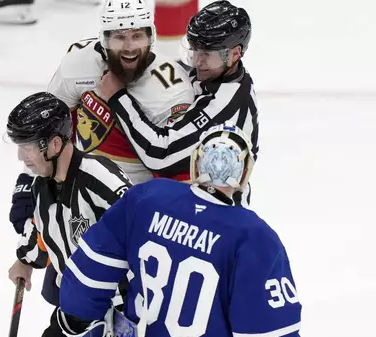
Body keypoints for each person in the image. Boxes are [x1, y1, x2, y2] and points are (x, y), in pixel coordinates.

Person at [57, 122, 358, 337]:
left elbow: (86, 275)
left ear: (196, 162)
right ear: (245, 172)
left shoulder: (148, 198)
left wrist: (85, 326)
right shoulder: (254, 237)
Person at [8, 0, 195, 268]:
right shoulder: (77, 65)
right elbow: (47, 132)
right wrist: (29, 186)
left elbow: (176, 172)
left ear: (151, 36)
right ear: (104, 39)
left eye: (137, 35)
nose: (130, 47)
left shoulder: (172, 90)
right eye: (119, 37)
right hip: (78, 205)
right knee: (64, 293)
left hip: (135, 215)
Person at [5, 92, 132, 337]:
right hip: (76, 317)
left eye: (26, 146)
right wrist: (26, 259)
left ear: (55, 144)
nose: (21, 157)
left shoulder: (100, 179)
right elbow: (45, 233)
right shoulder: (42, 187)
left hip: (126, 325)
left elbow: (143, 242)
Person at [98, 0, 259, 206]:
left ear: (235, 54)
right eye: (194, 50)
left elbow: (160, 154)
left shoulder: (225, 104)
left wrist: (118, 97)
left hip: (212, 219)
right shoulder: (216, 74)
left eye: (206, 54)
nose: (197, 62)